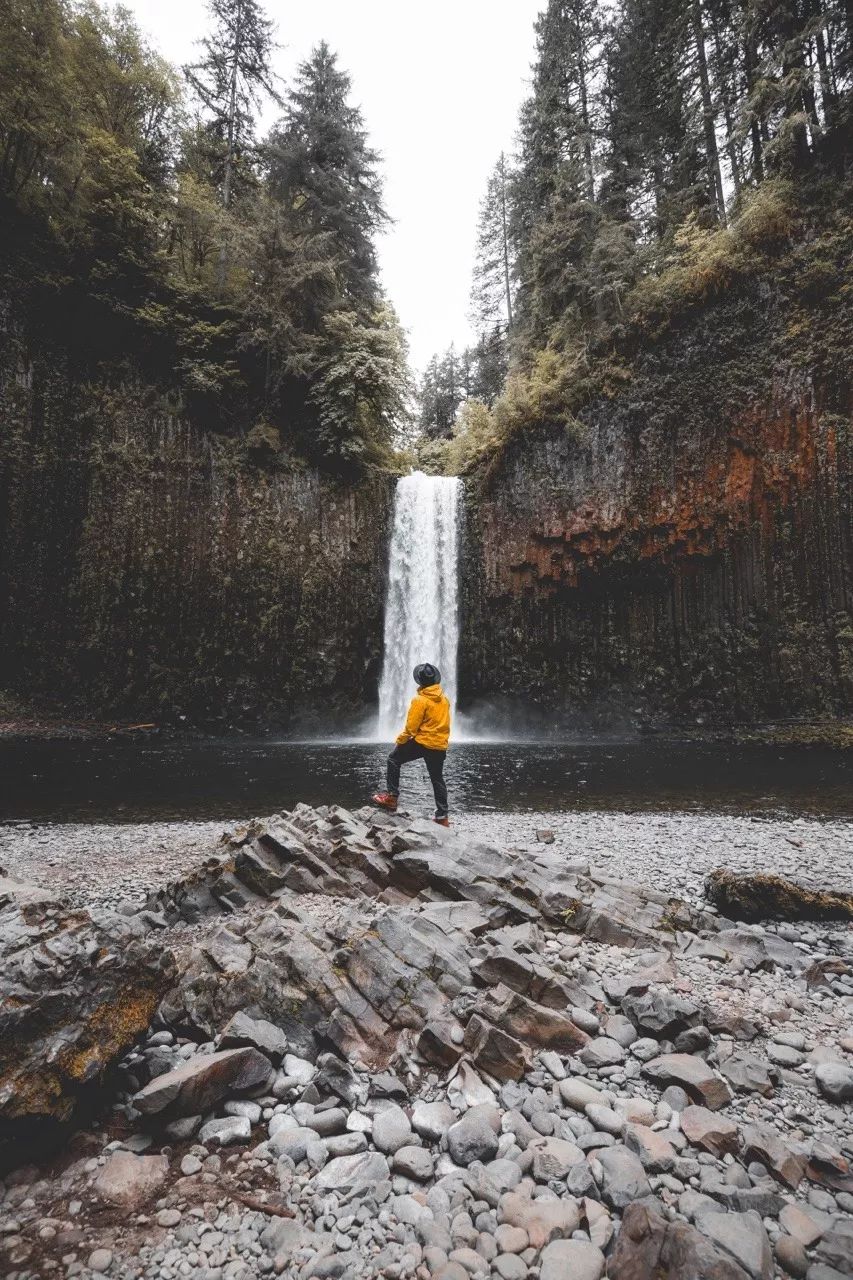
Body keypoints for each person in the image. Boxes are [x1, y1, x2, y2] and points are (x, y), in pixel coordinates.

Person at [373, 662, 450, 825]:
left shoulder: (420, 700)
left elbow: (411, 728)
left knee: (393, 759)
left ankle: (392, 798)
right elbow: (445, 723)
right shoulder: (444, 699)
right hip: (438, 744)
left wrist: (400, 740)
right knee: (437, 778)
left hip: (423, 742)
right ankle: (443, 817)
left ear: (420, 682)